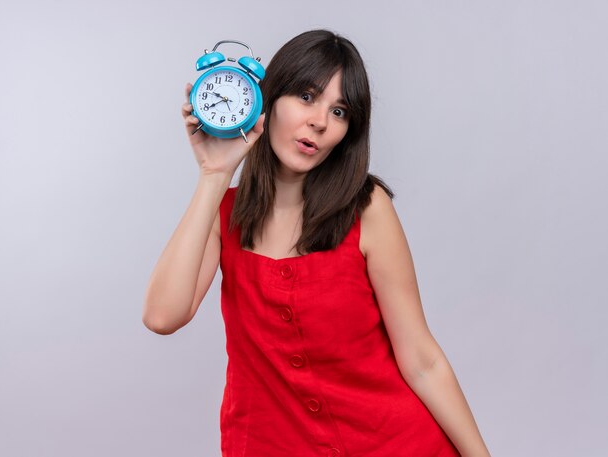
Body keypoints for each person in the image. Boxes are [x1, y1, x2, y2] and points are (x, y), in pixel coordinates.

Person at [143, 29, 491, 457]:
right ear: (267, 99)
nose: (321, 122)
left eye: (340, 111)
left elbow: (421, 360)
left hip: (392, 444)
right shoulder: (222, 216)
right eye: (307, 97)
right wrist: (213, 176)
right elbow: (162, 316)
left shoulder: (367, 208)